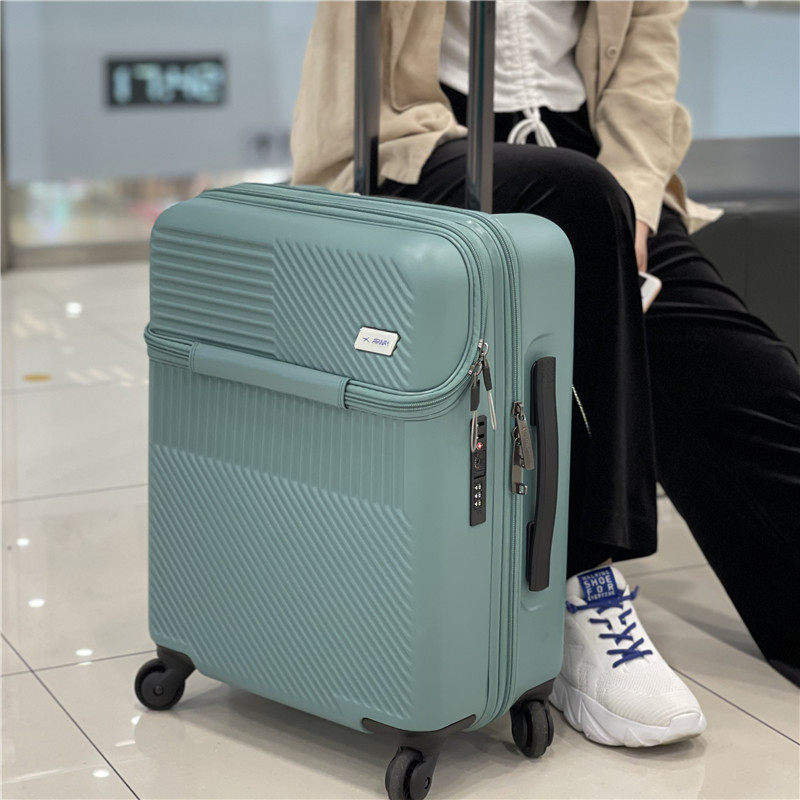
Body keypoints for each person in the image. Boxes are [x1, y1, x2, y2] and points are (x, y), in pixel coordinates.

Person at [290, 0, 800, 747]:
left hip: (593, 150)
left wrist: (638, 199)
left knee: (746, 380)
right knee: (576, 198)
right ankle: (576, 584)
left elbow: (646, 51)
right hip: (420, 140)